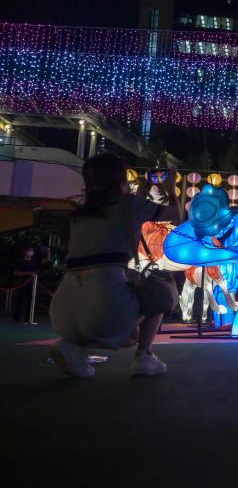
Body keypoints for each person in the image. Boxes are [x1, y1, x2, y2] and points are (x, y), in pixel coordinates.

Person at [49, 154, 180, 378]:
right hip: (105, 303)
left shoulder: (79, 215)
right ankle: (144, 356)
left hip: (62, 312)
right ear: (120, 179)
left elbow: (120, 223)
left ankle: (75, 347)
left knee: (129, 333)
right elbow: (175, 215)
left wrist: (141, 193)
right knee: (162, 292)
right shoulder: (129, 204)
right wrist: (170, 187)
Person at [12, 245, 42, 323]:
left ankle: (28, 319)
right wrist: (28, 273)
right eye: (29, 250)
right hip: (22, 283)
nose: (31, 252)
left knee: (30, 301)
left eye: (32, 250)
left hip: (32, 283)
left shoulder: (34, 261)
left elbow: (45, 261)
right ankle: (17, 318)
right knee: (20, 300)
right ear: (24, 252)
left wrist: (48, 251)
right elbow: (16, 273)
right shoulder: (20, 261)